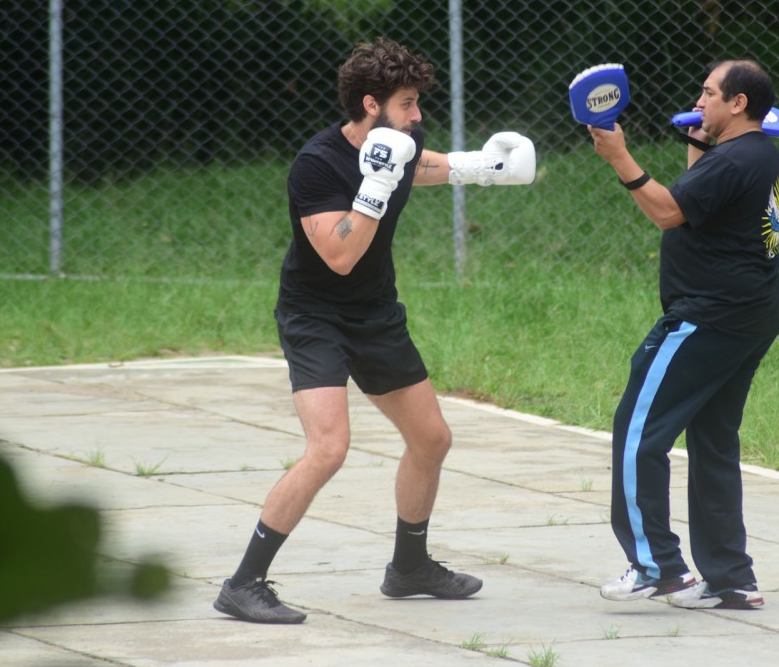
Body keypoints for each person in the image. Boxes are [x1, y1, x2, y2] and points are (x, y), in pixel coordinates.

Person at [213, 38, 536, 624]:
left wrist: (489, 168)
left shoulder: (402, 145)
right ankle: (243, 582)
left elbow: (428, 166)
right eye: (407, 103)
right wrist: (375, 186)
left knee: (432, 439)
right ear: (370, 104)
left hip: (375, 313)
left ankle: (409, 567)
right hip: (315, 316)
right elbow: (340, 255)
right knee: (329, 448)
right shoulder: (316, 164)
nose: (417, 115)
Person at [588, 59, 779, 610]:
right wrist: (699, 141)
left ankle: (656, 567)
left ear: (738, 103)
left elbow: (669, 212)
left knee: (637, 433)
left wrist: (620, 157)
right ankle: (730, 580)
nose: (698, 102)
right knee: (713, 443)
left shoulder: (737, 160)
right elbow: (699, 200)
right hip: (748, 316)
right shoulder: (755, 154)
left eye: (708, 94)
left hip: (706, 317)